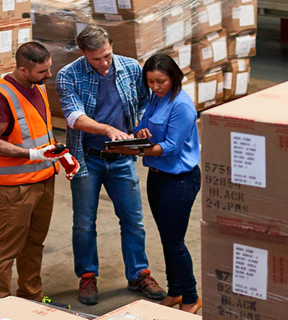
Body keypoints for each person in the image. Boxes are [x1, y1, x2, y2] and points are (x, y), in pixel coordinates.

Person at [56, 25, 163, 305]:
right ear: (83, 54)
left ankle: (139, 274)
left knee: (133, 221)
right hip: (87, 158)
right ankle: (88, 276)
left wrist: (140, 127)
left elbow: (143, 103)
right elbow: (73, 115)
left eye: (107, 55)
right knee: (83, 223)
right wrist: (107, 130)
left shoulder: (130, 67)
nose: (104, 63)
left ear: (111, 46)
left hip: (122, 159)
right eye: (96, 59)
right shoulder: (69, 75)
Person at [0, 41, 62, 301]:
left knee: (34, 245)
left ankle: (31, 297)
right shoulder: (0, 98)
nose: (48, 76)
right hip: (17, 188)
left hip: (45, 180)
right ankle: (1, 305)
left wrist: (57, 154)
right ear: (23, 70)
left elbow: (38, 131)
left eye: (49, 69)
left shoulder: (39, 87)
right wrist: (31, 154)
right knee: (7, 249)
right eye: (42, 72)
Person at [123, 53, 202, 313]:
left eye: (161, 81)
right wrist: (139, 133)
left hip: (179, 181)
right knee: (167, 237)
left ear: (174, 77)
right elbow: (143, 126)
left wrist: (138, 151)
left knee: (175, 241)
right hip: (157, 177)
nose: (155, 87)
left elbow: (170, 146)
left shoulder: (182, 105)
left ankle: (191, 297)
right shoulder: (157, 100)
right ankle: (175, 290)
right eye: (151, 82)